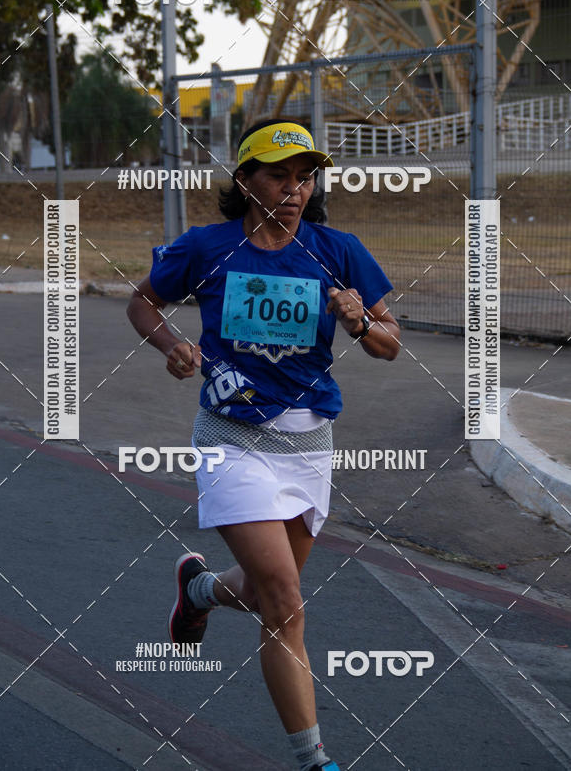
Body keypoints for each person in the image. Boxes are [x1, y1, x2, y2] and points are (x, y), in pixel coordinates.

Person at [127, 118, 400, 771]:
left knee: (257, 591)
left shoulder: (338, 249)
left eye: (305, 176)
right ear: (244, 179)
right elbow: (143, 302)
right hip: (231, 440)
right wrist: (173, 346)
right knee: (284, 601)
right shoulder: (206, 247)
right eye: (278, 174)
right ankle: (315, 761)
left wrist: (359, 320)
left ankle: (196, 592)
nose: (293, 188)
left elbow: (391, 343)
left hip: (309, 448)